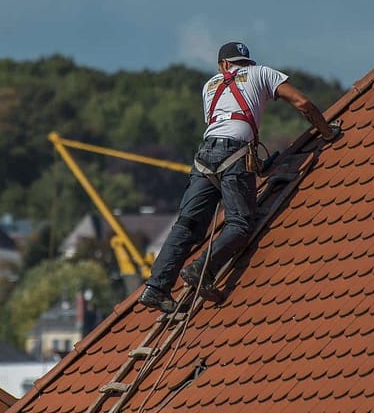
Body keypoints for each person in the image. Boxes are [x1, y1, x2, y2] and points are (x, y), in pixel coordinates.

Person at [138, 41, 341, 313]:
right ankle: (201, 269)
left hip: (204, 158)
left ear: (223, 65)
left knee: (187, 225)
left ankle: (156, 287)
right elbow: (302, 103)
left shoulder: (209, 86)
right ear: (245, 62)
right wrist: (327, 132)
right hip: (235, 154)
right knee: (241, 223)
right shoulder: (262, 72)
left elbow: (224, 124)